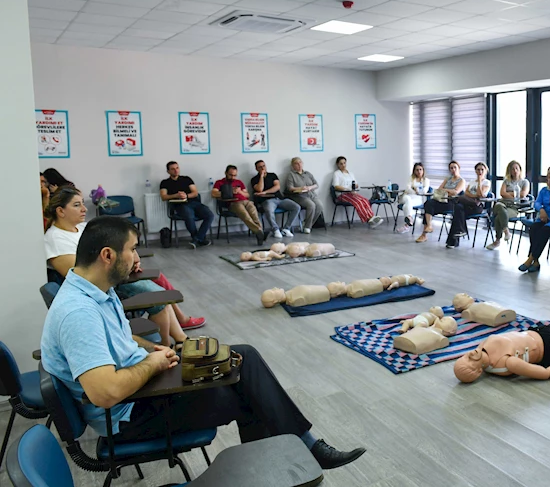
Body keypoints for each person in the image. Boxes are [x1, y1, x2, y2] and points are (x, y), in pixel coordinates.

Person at [40, 216, 366, 470]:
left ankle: (293, 454)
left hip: (138, 393)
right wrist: (151, 364)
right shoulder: (78, 312)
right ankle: (295, 455)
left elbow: (117, 336)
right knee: (250, 393)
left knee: (244, 358)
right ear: (107, 255)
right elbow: (105, 392)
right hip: (128, 417)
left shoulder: (96, 290)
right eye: (133, 249)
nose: (137, 257)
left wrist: (150, 348)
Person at [44, 187, 204, 342]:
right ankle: (168, 345)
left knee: (159, 290)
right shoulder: (55, 238)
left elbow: (117, 246)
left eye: (83, 204)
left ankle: (180, 339)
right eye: (76, 205)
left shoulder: (82, 227)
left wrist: (133, 259)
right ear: (60, 211)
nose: (84, 209)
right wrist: (123, 264)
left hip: (113, 275)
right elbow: (81, 275)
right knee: (158, 297)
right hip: (103, 285)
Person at [159, 161, 214, 249]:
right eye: (173, 169)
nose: (176, 170)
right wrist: (176, 195)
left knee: (209, 214)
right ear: (168, 171)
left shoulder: (186, 179)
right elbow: (163, 197)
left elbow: (195, 193)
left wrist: (186, 196)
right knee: (189, 215)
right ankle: (199, 239)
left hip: (194, 203)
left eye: (177, 168)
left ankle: (197, 239)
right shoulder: (165, 182)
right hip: (179, 205)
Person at [212, 165, 265, 245]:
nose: (233, 177)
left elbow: (247, 195)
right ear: (226, 173)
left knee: (254, 213)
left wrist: (240, 191)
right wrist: (229, 191)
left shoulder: (239, 182)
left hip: (245, 201)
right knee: (245, 215)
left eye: (235, 175)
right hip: (233, 203)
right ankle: (259, 231)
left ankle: (259, 233)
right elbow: (213, 193)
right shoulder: (219, 182)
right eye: (231, 175)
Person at [416, 161, 466, 243]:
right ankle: (428, 227)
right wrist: (449, 191)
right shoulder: (447, 179)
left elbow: (455, 192)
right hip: (442, 200)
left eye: (455, 167)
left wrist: (445, 190)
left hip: (452, 203)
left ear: (459, 168)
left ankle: (424, 234)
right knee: (428, 203)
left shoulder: (461, 180)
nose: (453, 169)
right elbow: (439, 189)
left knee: (429, 209)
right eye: (451, 168)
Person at [445, 162, 491, 249]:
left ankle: (454, 240)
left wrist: (479, 182)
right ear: (475, 171)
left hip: (477, 207)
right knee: (458, 209)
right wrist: (475, 196)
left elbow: (481, 194)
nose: (480, 171)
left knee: (458, 209)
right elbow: (466, 193)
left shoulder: (487, 182)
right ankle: (459, 233)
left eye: (482, 170)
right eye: (478, 170)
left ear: (486, 171)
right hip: (467, 204)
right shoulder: (472, 181)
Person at [251, 159, 300, 240]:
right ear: (256, 169)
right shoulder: (254, 179)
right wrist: (261, 176)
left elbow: (277, 187)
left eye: (264, 166)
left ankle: (286, 228)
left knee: (296, 207)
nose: (263, 168)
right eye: (260, 167)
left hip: (279, 198)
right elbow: (259, 189)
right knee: (269, 210)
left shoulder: (272, 175)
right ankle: (275, 229)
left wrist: (265, 192)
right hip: (267, 200)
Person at [486, 160, 530, 250]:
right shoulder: (506, 181)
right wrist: (515, 195)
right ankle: (506, 231)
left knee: (498, 218)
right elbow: (502, 193)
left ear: (520, 170)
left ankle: (497, 241)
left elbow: (522, 195)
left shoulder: (525, 182)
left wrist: (508, 194)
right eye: (512, 169)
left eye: (517, 168)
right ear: (509, 171)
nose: (515, 171)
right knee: (499, 205)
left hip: (514, 208)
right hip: (502, 204)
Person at [332, 156, 383, 228]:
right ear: (337, 164)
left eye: (344, 163)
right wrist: (346, 189)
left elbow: (356, 184)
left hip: (352, 193)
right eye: (341, 164)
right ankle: (368, 220)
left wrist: (355, 186)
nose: (343, 165)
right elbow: (336, 186)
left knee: (365, 200)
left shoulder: (350, 173)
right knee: (358, 202)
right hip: (342, 194)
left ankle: (372, 217)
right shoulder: (336, 173)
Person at [284, 157, 323, 234]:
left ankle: (307, 223)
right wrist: (300, 188)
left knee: (320, 206)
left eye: (300, 162)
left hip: (311, 194)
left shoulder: (308, 173)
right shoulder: (291, 175)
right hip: (299, 196)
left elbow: (316, 184)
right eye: (296, 163)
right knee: (311, 205)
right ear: (293, 166)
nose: (299, 165)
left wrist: (310, 187)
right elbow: (290, 188)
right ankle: (307, 227)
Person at [396, 162, 430, 234]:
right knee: (408, 200)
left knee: (406, 205)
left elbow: (424, 191)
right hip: (407, 196)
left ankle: (407, 225)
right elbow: (408, 189)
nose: (419, 171)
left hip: (417, 199)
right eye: (417, 170)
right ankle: (410, 219)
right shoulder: (411, 178)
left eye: (420, 169)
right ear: (414, 171)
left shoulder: (426, 180)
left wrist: (415, 189)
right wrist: (415, 191)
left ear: (423, 170)